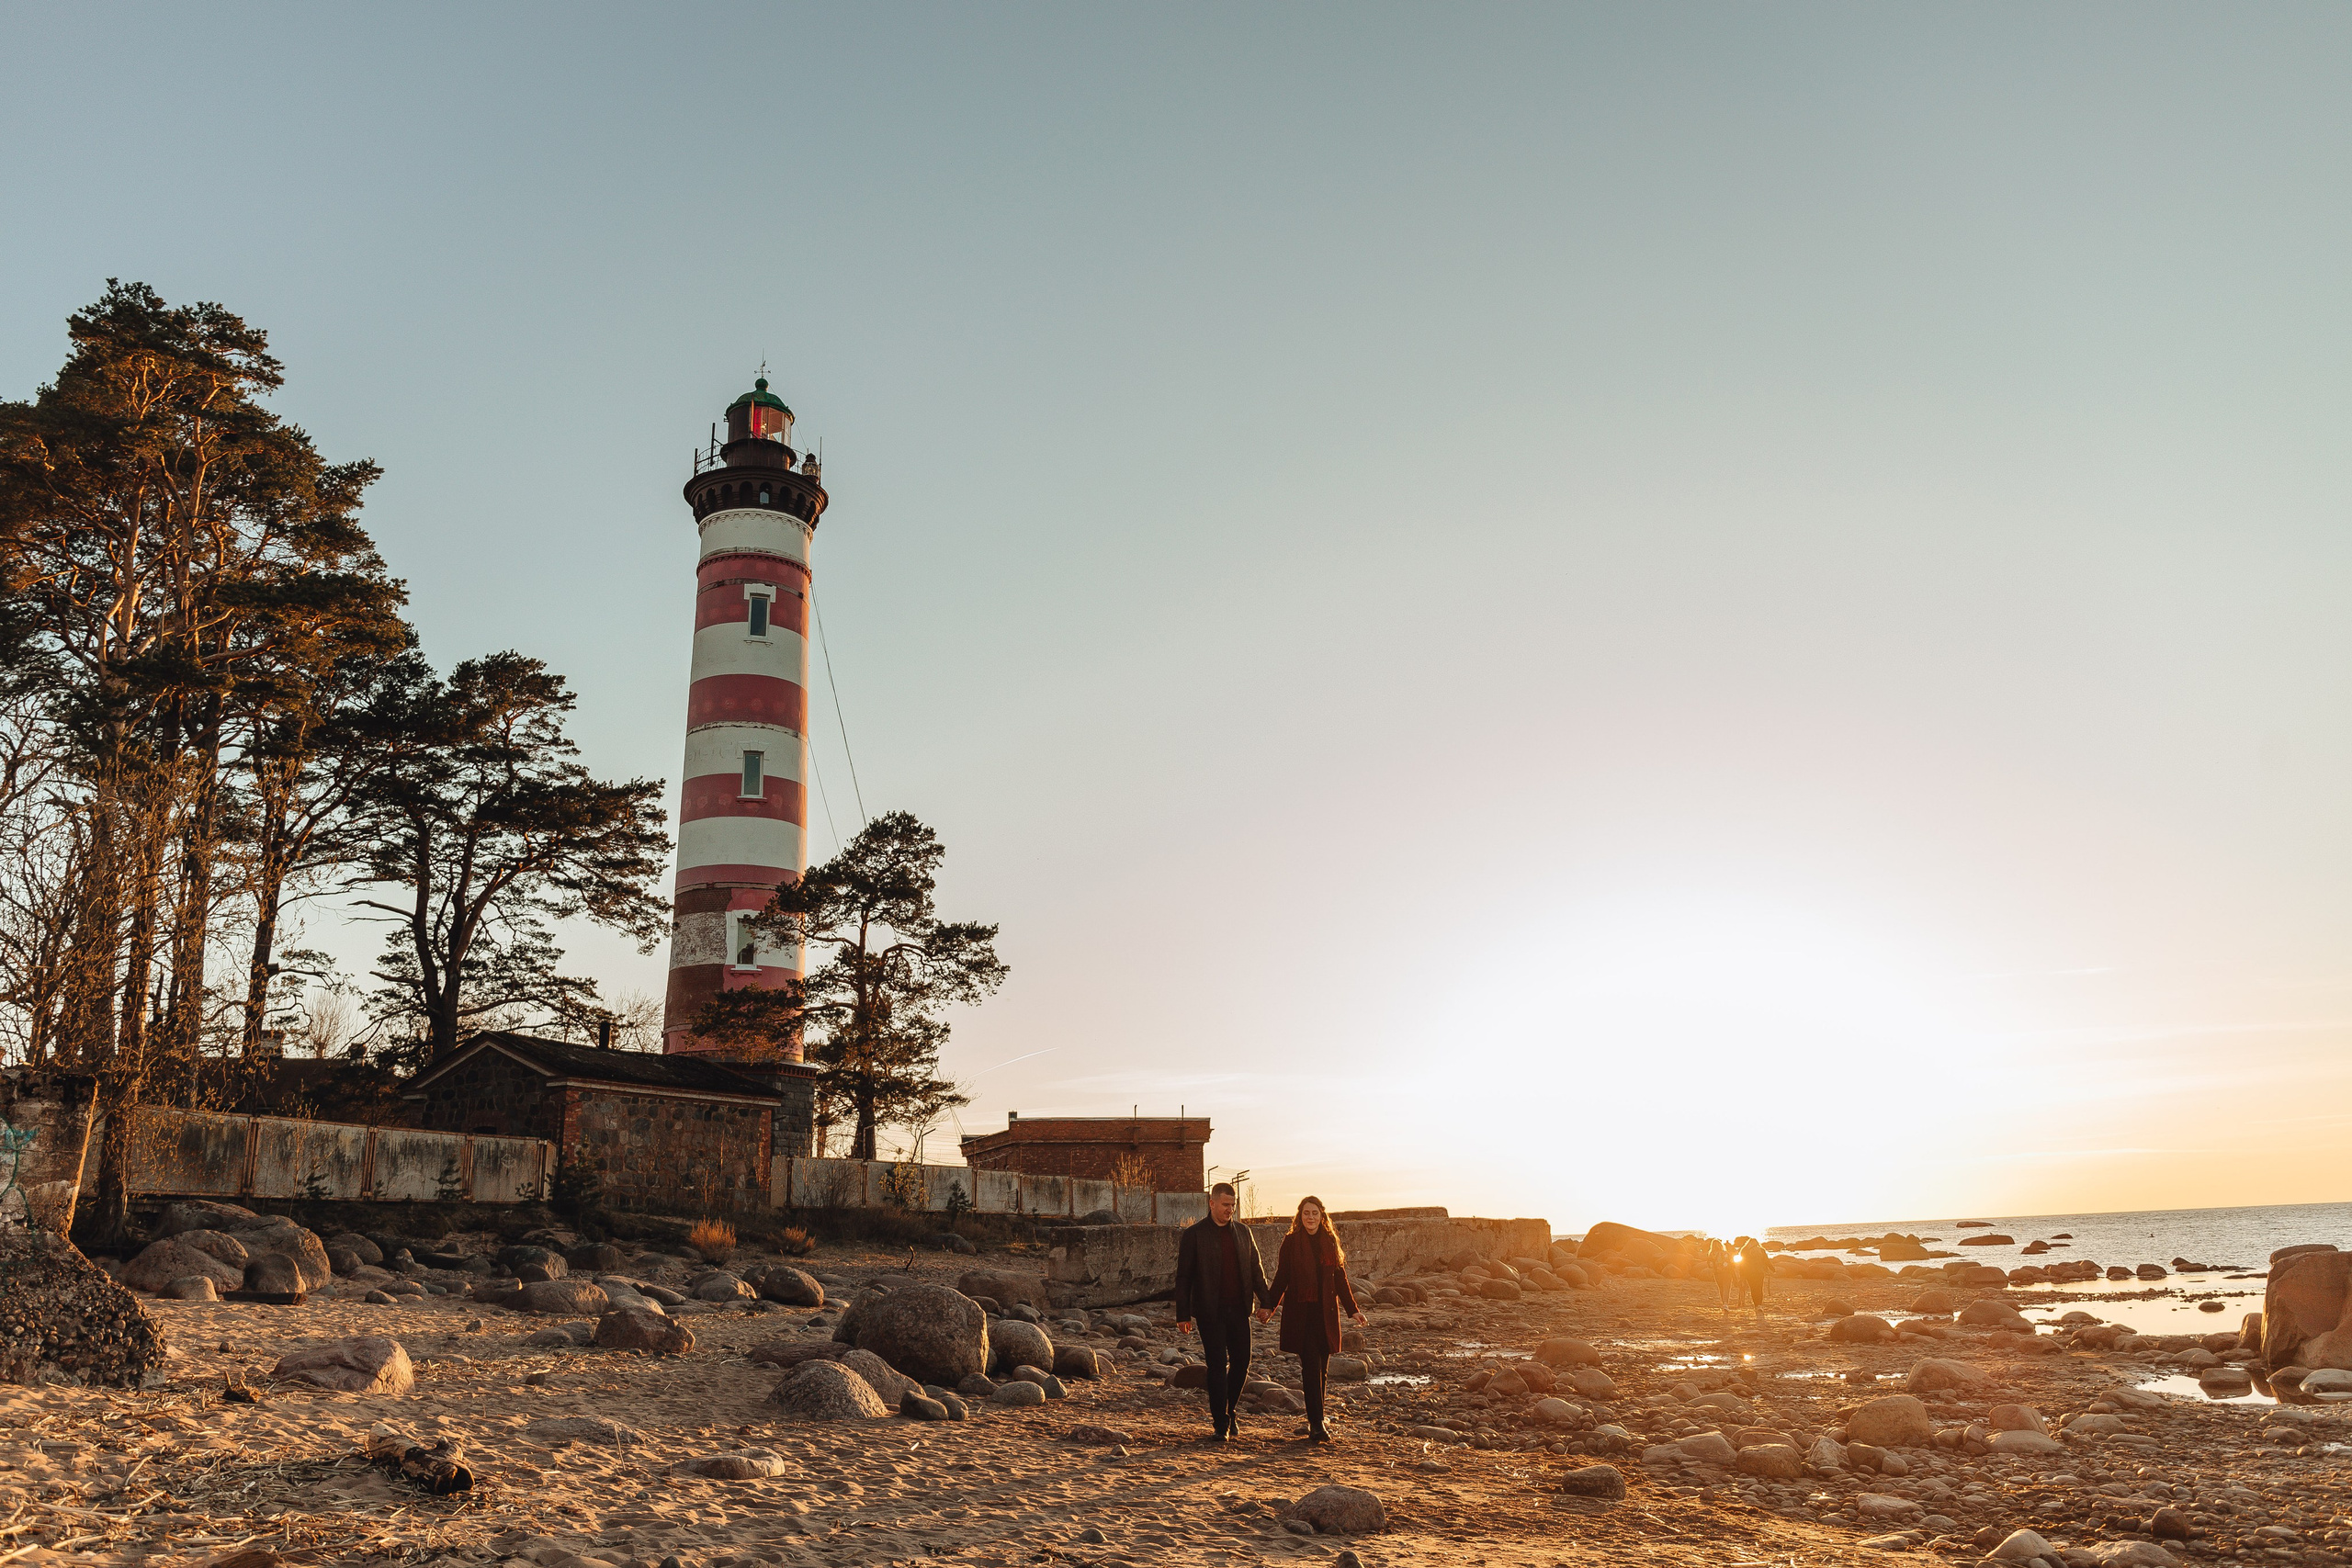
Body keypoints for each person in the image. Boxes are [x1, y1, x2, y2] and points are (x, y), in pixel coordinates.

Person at [1257, 1195, 1364, 1444]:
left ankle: (1317, 1419)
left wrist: (1353, 1310)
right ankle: (1317, 1425)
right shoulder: (1291, 1242)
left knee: (1322, 1371)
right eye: (1306, 1213)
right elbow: (1282, 1276)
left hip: (1325, 1314)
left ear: (1321, 1215)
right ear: (1300, 1216)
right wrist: (1268, 1306)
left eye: (1315, 1213)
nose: (1310, 1217)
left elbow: (1340, 1279)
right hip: (1301, 1315)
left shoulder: (1329, 1241)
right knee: (1310, 1368)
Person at [1173, 1180, 1270, 1442]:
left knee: (1242, 1363)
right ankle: (1220, 1423)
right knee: (1216, 1366)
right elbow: (1183, 1277)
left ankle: (1230, 1410)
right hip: (1210, 1312)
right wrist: (1182, 1314)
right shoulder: (1194, 1235)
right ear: (1212, 1203)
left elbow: (1256, 1270)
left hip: (1239, 1310)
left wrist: (1267, 1302)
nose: (1230, 1209)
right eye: (1225, 1205)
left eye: (1233, 1205)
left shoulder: (1244, 1232)